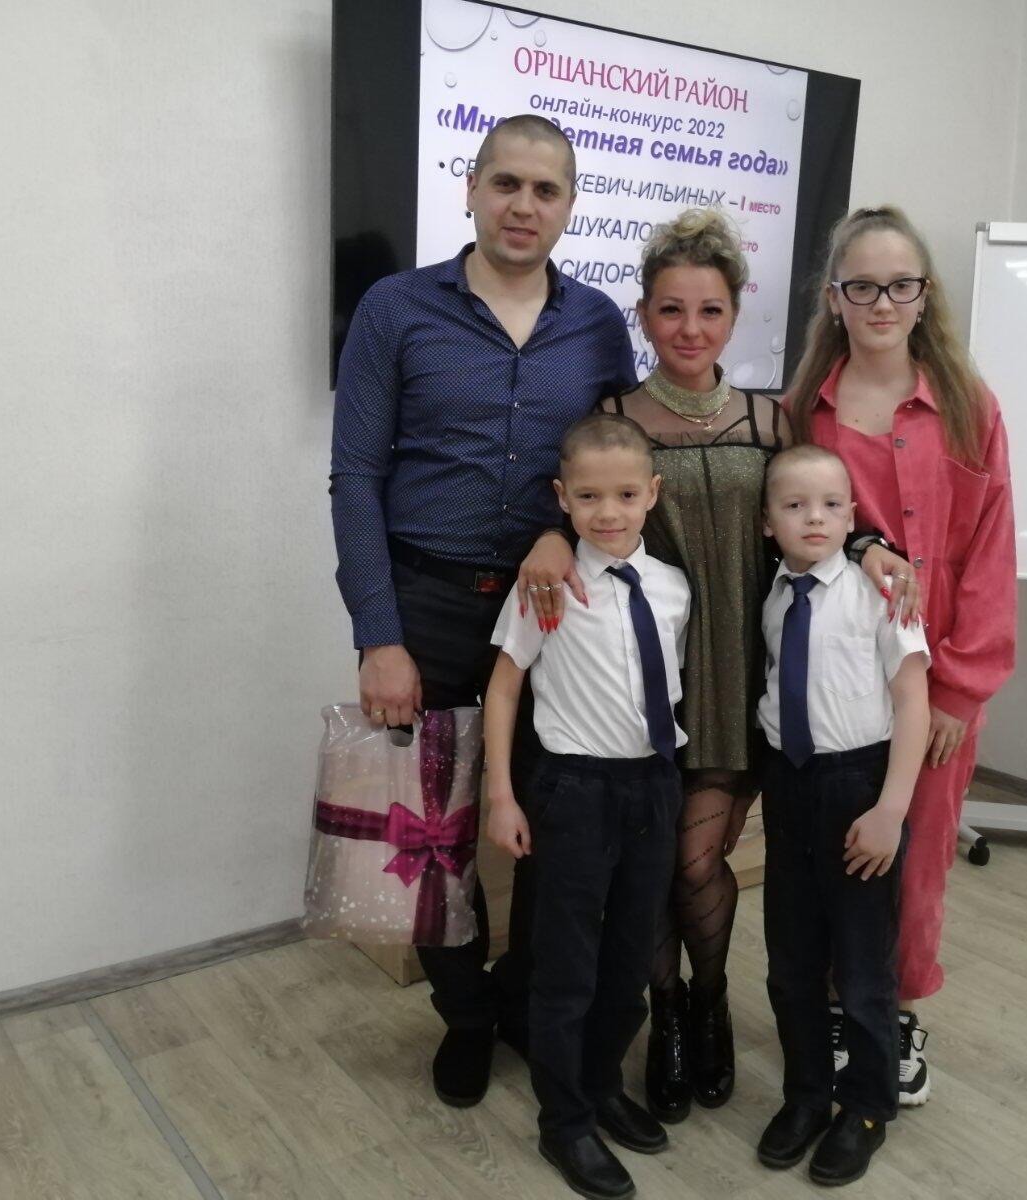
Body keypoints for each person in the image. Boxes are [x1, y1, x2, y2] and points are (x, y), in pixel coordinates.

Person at [328, 113, 637, 1108]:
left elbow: (613, 468)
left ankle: (521, 1000)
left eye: (546, 190)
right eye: (506, 183)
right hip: (425, 605)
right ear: (470, 188)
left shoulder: (599, 325)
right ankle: (464, 1015)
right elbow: (355, 474)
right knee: (426, 838)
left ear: (569, 206)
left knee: (558, 823)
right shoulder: (395, 309)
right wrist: (379, 635)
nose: (523, 205)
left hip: (552, 613)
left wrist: (562, 534)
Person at [784, 205, 1016, 1106]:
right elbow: (793, 534)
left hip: (939, 670)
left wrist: (959, 687)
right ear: (835, 298)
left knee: (916, 858)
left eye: (901, 285)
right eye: (864, 286)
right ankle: (841, 1003)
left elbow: (991, 551)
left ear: (925, 296)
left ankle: (900, 1008)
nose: (883, 302)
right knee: (839, 844)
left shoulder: (968, 406)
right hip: (837, 668)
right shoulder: (805, 410)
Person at [598, 208, 786, 1120]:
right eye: (671, 309)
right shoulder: (611, 421)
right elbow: (581, 528)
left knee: (697, 860)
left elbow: (812, 528)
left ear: (734, 315)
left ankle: (706, 1002)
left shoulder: (769, 419)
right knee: (651, 867)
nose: (690, 328)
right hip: (643, 681)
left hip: (737, 674)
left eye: (709, 310)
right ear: (643, 314)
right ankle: (666, 1013)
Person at [484, 414, 689, 1200]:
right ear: (562, 498)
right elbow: (505, 688)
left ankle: (602, 1085)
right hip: (575, 792)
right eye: (590, 496)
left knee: (629, 959)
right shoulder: (548, 584)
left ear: (652, 494)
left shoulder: (671, 587)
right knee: (567, 968)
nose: (610, 512)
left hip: (652, 786)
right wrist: (502, 795)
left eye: (627, 495)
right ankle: (563, 1120)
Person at [753, 444, 930, 1186]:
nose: (814, 519)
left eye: (831, 505)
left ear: (854, 516)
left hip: (858, 787)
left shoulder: (881, 590)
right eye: (794, 506)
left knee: (861, 967)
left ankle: (866, 1106)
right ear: (768, 523)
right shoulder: (773, 594)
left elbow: (913, 703)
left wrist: (891, 809)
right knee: (791, 961)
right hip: (788, 786)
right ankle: (805, 1094)